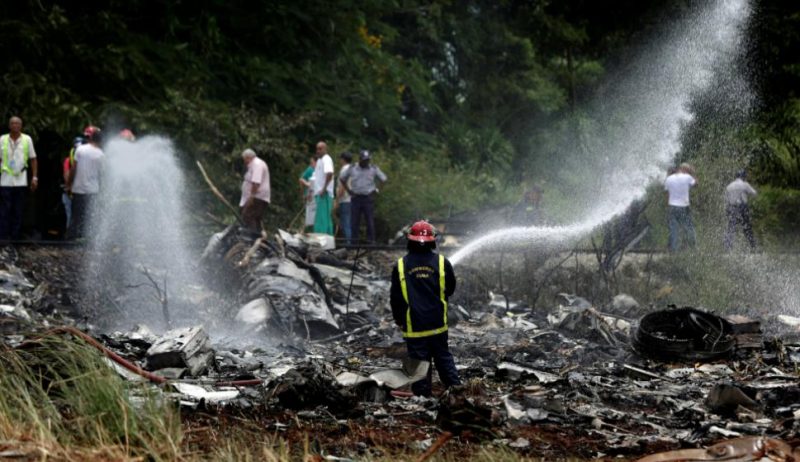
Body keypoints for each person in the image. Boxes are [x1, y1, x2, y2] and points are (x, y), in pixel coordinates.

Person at [390, 220, 460, 397]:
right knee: (443, 357)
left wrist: (399, 319)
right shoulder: (443, 262)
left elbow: (396, 298)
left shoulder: (400, 265)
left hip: (414, 325)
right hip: (438, 323)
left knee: (419, 363)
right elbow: (450, 289)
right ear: (432, 241)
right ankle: (457, 391)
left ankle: (423, 398)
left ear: (409, 240)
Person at [0, 116, 37, 240]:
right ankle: (4, 237)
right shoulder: (2, 139)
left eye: (17, 123)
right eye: (12, 123)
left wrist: (34, 177)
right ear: (9, 125)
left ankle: (14, 237)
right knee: (5, 209)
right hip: (5, 180)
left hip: (21, 180)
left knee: (18, 209)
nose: (15, 125)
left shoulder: (27, 139)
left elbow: (33, 159)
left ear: (21, 126)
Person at [339, 150, 387, 243]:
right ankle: (354, 243)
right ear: (360, 159)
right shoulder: (353, 168)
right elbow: (342, 178)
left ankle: (370, 242)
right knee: (354, 221)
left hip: (368, 197)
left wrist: (377, 190)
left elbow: (384, 179)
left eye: (367, 160)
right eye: (364, 160)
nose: (366, 162)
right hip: (356, 197)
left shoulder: (373, 168)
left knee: (369, 221)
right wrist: (348, 190)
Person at [67, 126, 104, 239]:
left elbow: (73, 169)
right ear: (100, 141)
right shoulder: (101, 154)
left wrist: (69, 183)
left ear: (91, 138)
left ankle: (73, 239)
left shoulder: (80, 150)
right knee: (90, 217)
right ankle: (88, 239)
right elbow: (101, 175)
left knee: (76, 217)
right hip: (93, 191)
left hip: (78, 189)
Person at [664, 163, 697, 252]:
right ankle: (693, 249)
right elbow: (696, 184)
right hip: (684, 206)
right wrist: (693, 173)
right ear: (684, 170)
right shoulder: (687, 177)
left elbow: (667, 195)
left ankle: (673, 250)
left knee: (673, 229)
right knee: (689, 227)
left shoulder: (668, 179)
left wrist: (668, 207)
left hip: (672, 206)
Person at [723, 170, 757, 250]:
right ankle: (753, 246)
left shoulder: (729, 186)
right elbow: (754, 193)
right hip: (742, 208)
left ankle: (727, 247)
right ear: (743, 176)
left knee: (731, 228)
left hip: (731, 208)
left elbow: (726, 199)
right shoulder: (745, 184)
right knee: (747, 227)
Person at [239, 148, 270, 232]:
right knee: (255, 218)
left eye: (244, 159)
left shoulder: (257, 164)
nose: (244, 162)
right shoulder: (254, 164)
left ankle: (251, 236)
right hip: (256, 197)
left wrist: (251, 197)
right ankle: (257, 235)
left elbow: (256, 182)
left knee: (248, 215)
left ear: (248, 157)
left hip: (258, 197)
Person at [62, 136, 85, 231]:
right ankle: (71, 235)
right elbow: (66, 175)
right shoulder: (68, 160)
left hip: (82, 192)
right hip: (71, 193)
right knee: (71, 216)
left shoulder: (87, 160)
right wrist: (70, 186)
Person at [312, 141, 335, 235]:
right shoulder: (319, 160)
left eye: (320, 149)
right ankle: (329, 238)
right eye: (317, 149)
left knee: (322, 219)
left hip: (324, 193)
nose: (318, 151)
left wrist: (324, 188)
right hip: (320, 193)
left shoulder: (326, 159)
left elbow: (329, 173)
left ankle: (320, 239)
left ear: (325, 149)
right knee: (325, 218)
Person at [335, 151, 353, 244]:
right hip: (352, 199)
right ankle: (350, 242)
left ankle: (348, 244)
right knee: (349, 222)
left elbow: (342, 186)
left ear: (343, 159)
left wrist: (337, 200)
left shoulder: (344, 170)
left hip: (344, 199)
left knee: (345, 222)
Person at [298, 157, 316, 232]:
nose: (311, 165)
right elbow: (301, 179)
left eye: (312, 163)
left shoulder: (317, 171)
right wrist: (303, 192)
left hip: (314, 196)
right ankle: (304, 230)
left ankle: (308, 230)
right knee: (308, 214)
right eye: (311, 163)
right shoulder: (310, 169)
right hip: (309, 195)